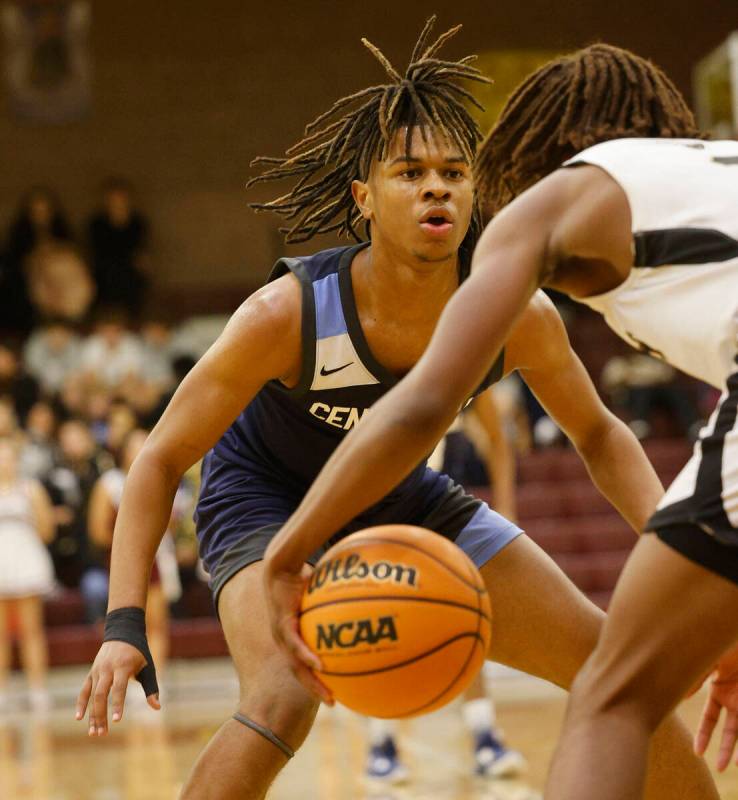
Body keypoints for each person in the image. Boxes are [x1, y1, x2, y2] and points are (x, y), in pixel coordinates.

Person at [75, 20, 716, 800]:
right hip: (266, 501)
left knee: (615, 668)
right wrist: (121, 624)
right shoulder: (287, 314)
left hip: (408, 499)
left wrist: (678, 552)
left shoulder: (516, 312)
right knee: (284, 695)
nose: (436, 186)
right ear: (364, 199)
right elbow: (158, 461)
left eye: (453, 171)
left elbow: (598, 432)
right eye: (409, 172)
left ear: (478, 194)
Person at [259, 43, 737, 800]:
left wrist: (289, 551)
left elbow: (420, 406)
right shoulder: (715, 165)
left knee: (610, 698)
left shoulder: (559, 201)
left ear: (545, 148)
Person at [366, 388, 524, 783]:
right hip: (374, 505)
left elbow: (498, 439)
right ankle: (382, 740)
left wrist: (506, 511)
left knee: (464, 617)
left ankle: (484, 734)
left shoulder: (467, 364)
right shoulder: (380, 369)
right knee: (378, 620)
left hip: (440, 508)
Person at [88, 429, 182, 687]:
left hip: (159, 558)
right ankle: (127, 683)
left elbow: (171, 527)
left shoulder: (163, 479)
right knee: (126, 626)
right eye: (136, 445)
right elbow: (98, 532)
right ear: (124, 451)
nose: (142, 449)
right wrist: (133, 543)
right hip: (123, 562)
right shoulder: (109, 483)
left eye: (146, 443)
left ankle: (157, 680)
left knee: (158, 623)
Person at [0, 436, 55, 712]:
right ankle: (2, 691)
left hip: (25, 562)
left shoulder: (30, 489)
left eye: (7, 456)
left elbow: (47, 529)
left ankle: (37, 689)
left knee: (31, 630)